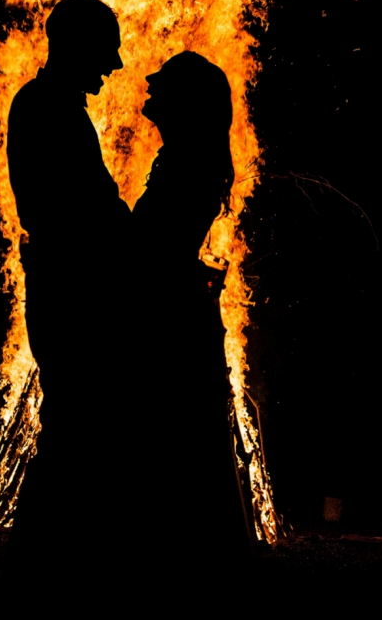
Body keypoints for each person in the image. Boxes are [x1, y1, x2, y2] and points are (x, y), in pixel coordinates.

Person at [6, 0, 131, 566]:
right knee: (76, 424)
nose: (116, 65)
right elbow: (92, 206)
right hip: (69, 290)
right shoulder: (49, 111)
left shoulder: (50, 107)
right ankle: (44, 554)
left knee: (75, 423)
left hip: (66, 282)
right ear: (76, 46)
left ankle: (50, 551)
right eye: (107, 49)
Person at [130, 51, 251, 593]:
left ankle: (191, 570)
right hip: (177, 312)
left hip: (171, 321)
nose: (149, 94)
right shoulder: (187, 156)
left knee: (177, 441)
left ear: (185, 103)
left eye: (163, 89)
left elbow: (153, 240)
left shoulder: (187, 162)